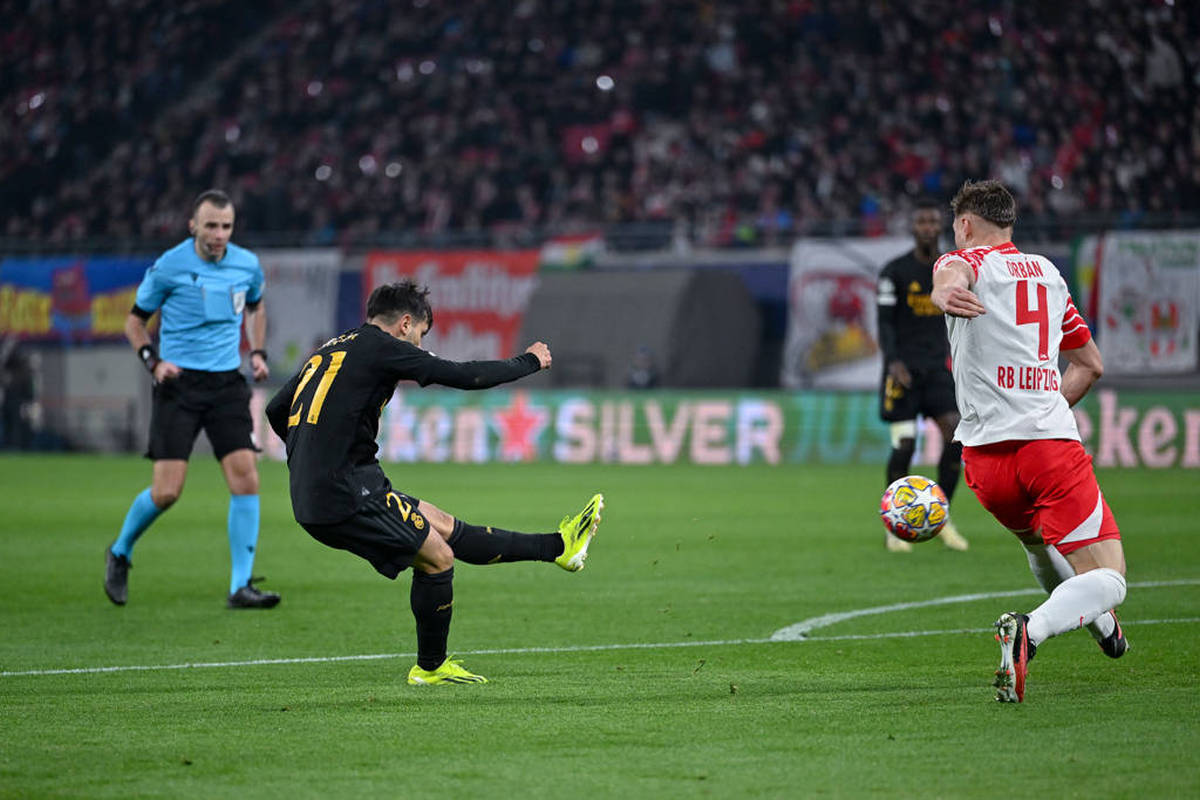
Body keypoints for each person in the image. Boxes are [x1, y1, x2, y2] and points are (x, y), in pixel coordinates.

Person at [264, 280, 602, 685]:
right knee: (438, 558)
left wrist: (311, 459)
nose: (420, 346)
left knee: (441, 524)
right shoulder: (383, 347)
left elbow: (276, 409)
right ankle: (430, 667)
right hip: (345, 492)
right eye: (421, 335)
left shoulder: (330, 349)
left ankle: (560, 547)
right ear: (405, 323)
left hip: (332, 487)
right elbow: (464, 375)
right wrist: (529, 361)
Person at [931, 179, 1128, 703]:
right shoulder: (1048, 273)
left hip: (985, 463)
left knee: (1039, 545)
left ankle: (1102, 626)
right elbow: (1090, 365)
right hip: (1047, 448)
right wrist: (1045, 408)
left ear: (964, 225)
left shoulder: (961, 261)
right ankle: (1030, 632)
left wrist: (942, 292)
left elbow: (952, 274)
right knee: (1111, 577)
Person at [105, 190, 280, 609]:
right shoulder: (170, 266)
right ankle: (120, 551)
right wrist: (153, 362)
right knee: (167, 492)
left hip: (226, 385)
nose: (219, 234)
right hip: (179, 385)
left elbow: (256, 308)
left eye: (226, 227)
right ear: (193, 227)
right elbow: (134, 322)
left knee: (246, 478)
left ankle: (240, 586)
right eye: (211, 226)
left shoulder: (246, 264)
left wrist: (257, 351)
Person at [876, 198, 969, 553]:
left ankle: (941, 517)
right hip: (902, 372)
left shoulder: (952, 270)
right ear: (913, 228)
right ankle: (893, 525)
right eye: (922, 222)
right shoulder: (894, 272)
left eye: (932, 221)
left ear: (940, 226)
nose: (928, 228)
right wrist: (892, 361)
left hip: (937, 370)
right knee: (904, 444)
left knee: (955, 437)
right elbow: (884, 323)